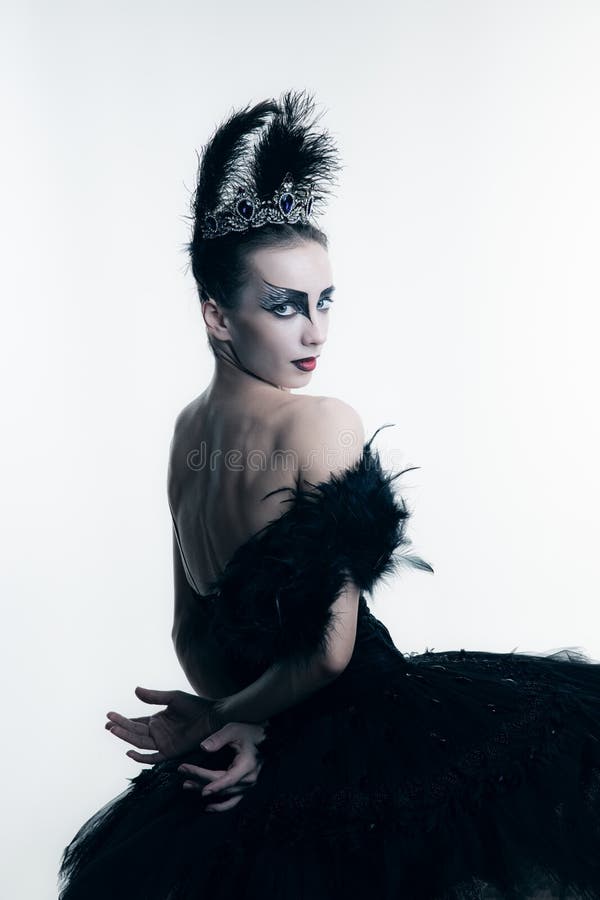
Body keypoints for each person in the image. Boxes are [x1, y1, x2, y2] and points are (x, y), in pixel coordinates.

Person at [58, 89, 600, 900]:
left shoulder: (187, 432)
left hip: (263, 724)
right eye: (283, 306)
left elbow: (191, 630)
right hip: (364, 730)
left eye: (325, 301)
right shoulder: (320, 425)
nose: (314, 331)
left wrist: (224, 716)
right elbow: (330, 651)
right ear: (217, 315)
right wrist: (240, 720)